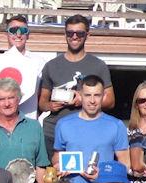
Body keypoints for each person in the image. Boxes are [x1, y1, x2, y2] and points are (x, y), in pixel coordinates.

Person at [38, 14, 114, 157]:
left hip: (87, 131)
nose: (74, 36)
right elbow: (42, 102)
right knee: (53, 176)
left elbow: (110, 101)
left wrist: (83, 101)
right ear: (65, 34)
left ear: (87, 35)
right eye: (70, 33)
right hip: (53, 132)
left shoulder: (98, 65)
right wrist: (50, 106)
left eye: (79, 33)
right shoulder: (51, 66)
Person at [0, 78, 50, 183]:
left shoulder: (34, 126)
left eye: (11, 98)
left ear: (18, 99)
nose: (6, 103)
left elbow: (41, 166)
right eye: (1, 99)